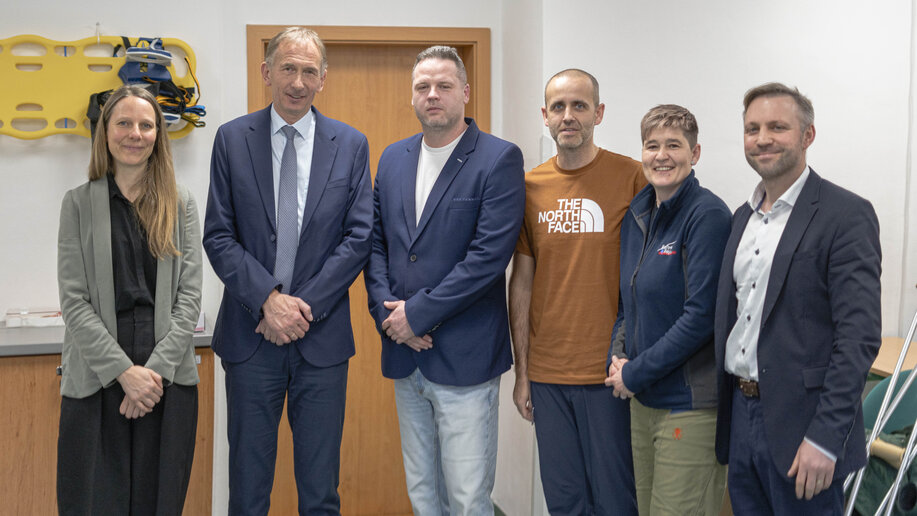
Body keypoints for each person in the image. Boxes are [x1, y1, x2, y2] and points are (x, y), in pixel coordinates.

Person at [203, 27, 372, 515]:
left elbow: (358, 238)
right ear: (267, 72)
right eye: (288, 68)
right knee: (249, 486)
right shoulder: (233, 139)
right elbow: (219, 235)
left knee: (321, 491)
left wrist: (301, 308)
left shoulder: (351, 144)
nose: (298, 81)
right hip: (250, 339)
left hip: (321, 343)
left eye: (309, 71)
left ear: (324, 78)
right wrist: (267, 300)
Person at [364, 45, 524, 515]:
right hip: (404, 355)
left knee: (467, 498)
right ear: (412, 96)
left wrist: (416, 314)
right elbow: (376, 246)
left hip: (465, 359)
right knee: (422, 495)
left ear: (465, 93)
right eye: (422, 87)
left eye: (443, 86)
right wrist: (390, 317)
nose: (432, 95)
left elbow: (487, 259)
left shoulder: (497, 159)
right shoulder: (393, 159)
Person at [714, 82, 882, 514]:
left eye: (777, 127)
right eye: (752, 128)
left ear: (807, 136)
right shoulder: (741, 219)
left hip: (805, 428)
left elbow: (858, 338)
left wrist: (826, 437)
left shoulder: (845, 215)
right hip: (741, 416)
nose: (763, 138)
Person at [56, 84, 202, 515]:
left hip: (166, 379)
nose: (134, 133)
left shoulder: (181, 203)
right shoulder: (77, 204)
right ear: (105, 132)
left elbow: (189, 298)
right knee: (92, 502)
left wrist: (150, 376)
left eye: (146, 124)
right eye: (124, 123)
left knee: (159, 504)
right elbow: (74, 301)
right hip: (98, 375)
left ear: (159, 134)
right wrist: (124, 374)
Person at [508, 68, 644, 515]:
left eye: (580, 106)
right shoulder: (528, 187)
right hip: (547, 375)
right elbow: (522, 281)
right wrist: (523, 371)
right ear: (544, 116)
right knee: (565, 502)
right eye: (559, 107)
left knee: (614, 500)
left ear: (598, 113)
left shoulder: (632, 178)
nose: (569, 116)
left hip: (609, 372)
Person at [605, 104, 730, 515]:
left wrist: (634, 373)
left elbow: (700, 318)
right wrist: (618, 357)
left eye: (674, 145)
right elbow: (628, 302)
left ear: (695, 154)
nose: (662, 155)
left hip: (689, 405)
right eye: (652, 145)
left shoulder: (707, 216)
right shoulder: (639, 214)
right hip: (643, 401)